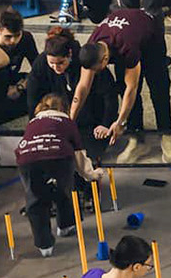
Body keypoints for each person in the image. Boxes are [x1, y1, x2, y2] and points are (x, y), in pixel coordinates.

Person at [83, 8, 171, 164]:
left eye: (99, 69)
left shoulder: (126, 45)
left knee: (158, 87)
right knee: (121, 85)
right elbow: (83, 86)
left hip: (151, 39)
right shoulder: (92, 45)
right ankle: (137, 140)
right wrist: (70, 120)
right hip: (125, 37)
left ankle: (166, 135)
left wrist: (119, 122)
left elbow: (131, 89)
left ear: (105, 59)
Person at [15, 92, 104, 256]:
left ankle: (44, 246)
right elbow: (79, 155)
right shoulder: (67, 122)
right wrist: (92, 175)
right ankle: (65, 226)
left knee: (35, 200)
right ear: (65, 107)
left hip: (27, 160)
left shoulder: (33, 122)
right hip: (58, 157)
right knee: (64, 191)